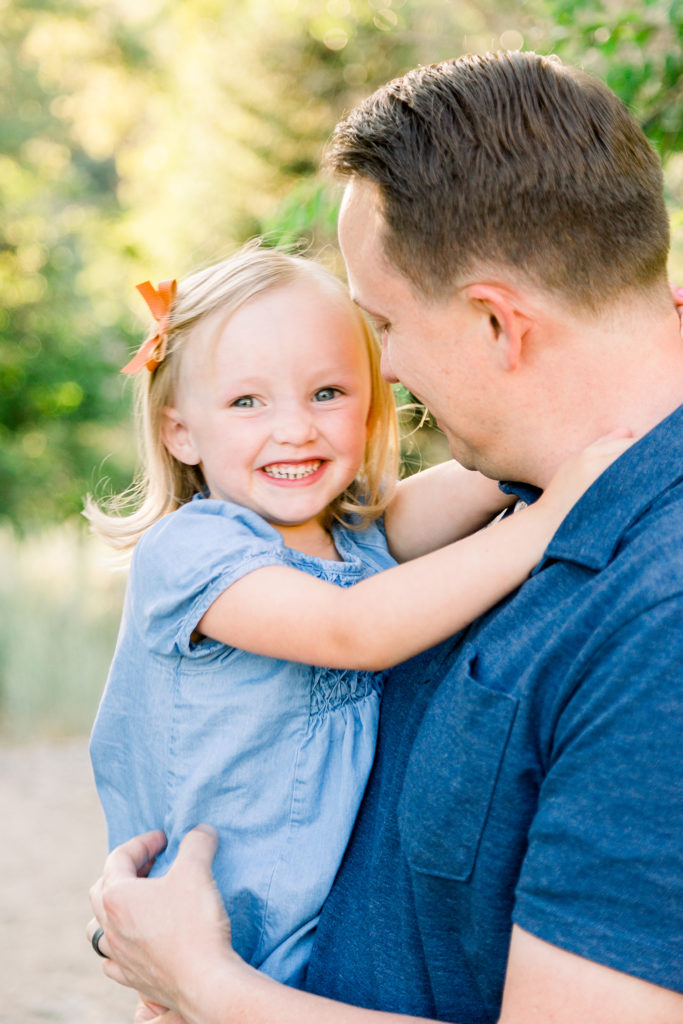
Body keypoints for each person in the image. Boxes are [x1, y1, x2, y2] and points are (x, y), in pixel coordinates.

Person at [88, 51, 683, 1024]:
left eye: (382, 328)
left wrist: (203, 985)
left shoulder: (653, 603)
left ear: (497, 323)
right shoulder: (523, 484)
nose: (384, 375)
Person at [86, 243, 616, 991]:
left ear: (371, 398)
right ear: (180, 431)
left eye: (327, 393)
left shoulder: (348, 535)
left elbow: (456, 485)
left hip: (320, 926)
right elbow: (353, 630)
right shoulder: (192, 552)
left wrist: (534, 445)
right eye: (247, 401)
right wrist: (544, 523)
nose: (295, 428)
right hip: (223, 921)